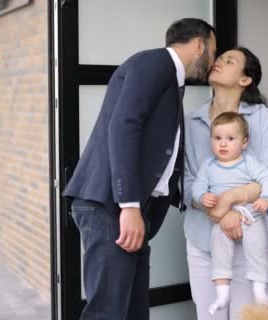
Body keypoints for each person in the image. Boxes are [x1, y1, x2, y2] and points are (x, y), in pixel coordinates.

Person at [63, 18, 216, 320]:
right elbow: (123, 126)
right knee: (106, 313)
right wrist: (129, 206)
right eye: (213, 49)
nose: (213, 60)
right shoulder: (155, 63)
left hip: (128, 211)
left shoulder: (169, 78)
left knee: (133, 312)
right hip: (112, 206)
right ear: (199, 44)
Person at [184, 47, 268, 320]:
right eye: (219, 58)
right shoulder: (191, 121)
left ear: (245, 80)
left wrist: (231, 199)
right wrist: (220, 213)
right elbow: (185, 183)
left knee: (247, 315)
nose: (218, 62)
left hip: (250, 234)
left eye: (229, 61)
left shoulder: (261, 117)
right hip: (201, 237)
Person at [191, 112, 268, 315]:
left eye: (230, 139)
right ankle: (222, 292)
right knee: (219, 251)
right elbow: (197, 186)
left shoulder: (249, 163)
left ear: (244, 142)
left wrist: (266, 198)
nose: (223, 144)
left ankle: (259, 288)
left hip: (250, 215)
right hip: (220, 220)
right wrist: (203, 197)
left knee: (257, 247)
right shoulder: (209, 166)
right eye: (217, 138)